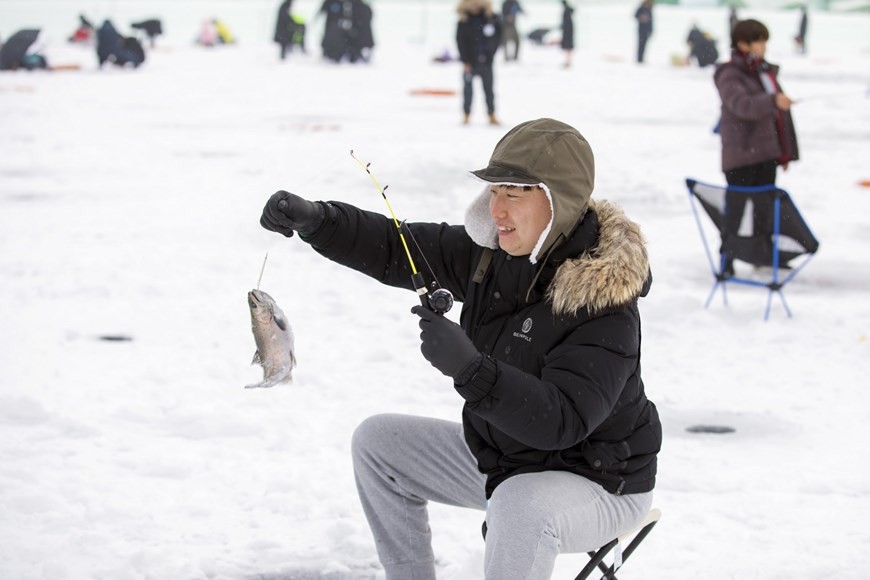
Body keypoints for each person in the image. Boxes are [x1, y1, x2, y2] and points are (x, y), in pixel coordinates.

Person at [258, 117, 661, 580]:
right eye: (495, 191)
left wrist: (471, 369)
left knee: (519, 506)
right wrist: (319, 221)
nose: (498, 209)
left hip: (600, 483)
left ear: (559, 202)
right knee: (379, 444)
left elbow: (562, 421)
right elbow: (397, 248)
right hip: (508, 460)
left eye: (515, 194)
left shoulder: (605, 304)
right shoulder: (492, 254)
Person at [714, 19, 799, 275]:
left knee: (765, 211)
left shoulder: (764, 72)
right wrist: (773, 100)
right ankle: (727, 259)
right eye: (759, 41)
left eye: (764, 41)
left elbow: (778, 117)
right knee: (736, 212)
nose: (763, 47)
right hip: (741, 155)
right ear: (743, 44)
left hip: (767, 155)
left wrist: (784, 152)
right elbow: (742, 106)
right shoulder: (729, 73)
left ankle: (762, 255)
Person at [457, 0, 502, 126]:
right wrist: (465, 61)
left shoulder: (491, 19)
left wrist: (491, 53)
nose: (474, 7)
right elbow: (460, 42)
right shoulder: (464, 21)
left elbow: (498, 37)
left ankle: (491, 114)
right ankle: (466, 114)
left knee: (489, 89)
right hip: (470, 62)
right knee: (467, 90)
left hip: (487, 61)